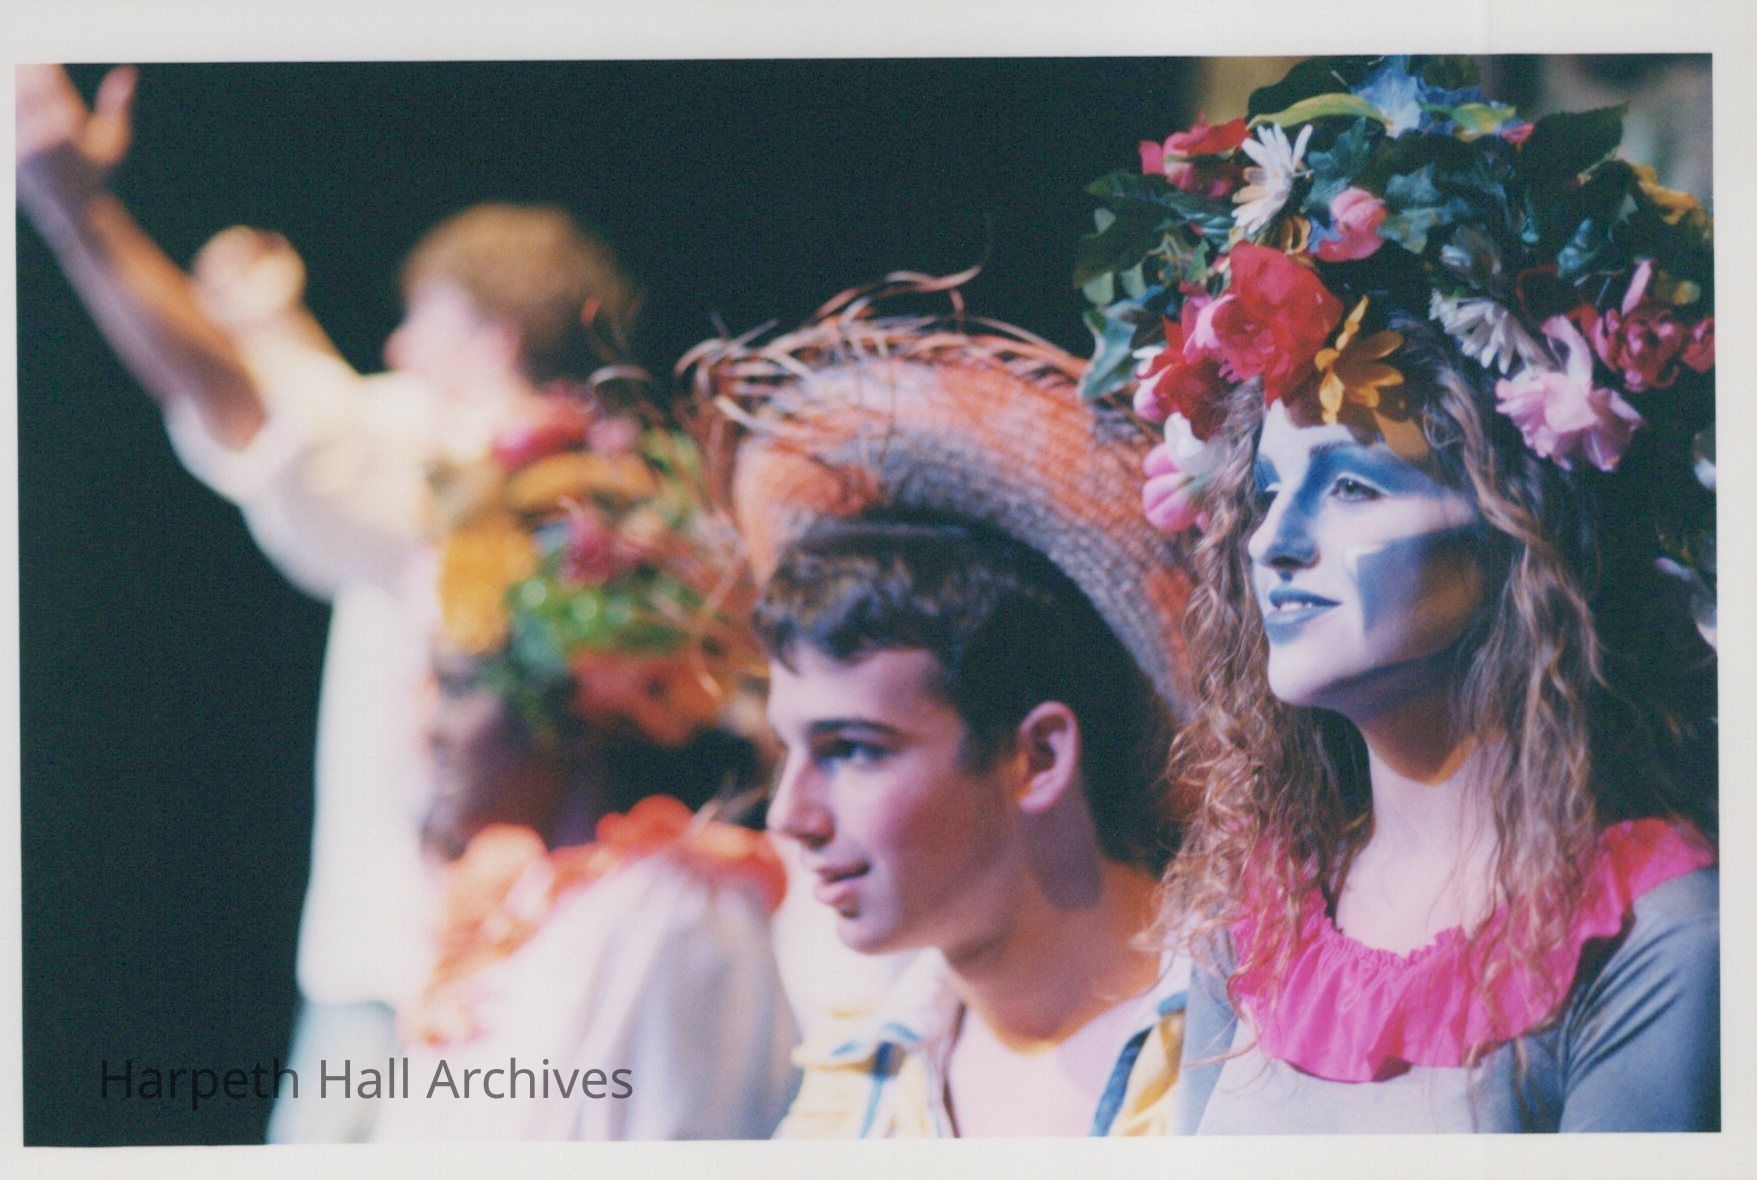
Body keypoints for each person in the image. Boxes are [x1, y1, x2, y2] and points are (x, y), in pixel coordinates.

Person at [1077, 54, 1718, 1131]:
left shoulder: (1654, 942)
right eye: (1267, 490)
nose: (1273, 540)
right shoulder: (1256, 921)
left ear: (1519, 534)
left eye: (1352, 486)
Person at [16, 63, 639, 1141]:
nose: (396, 349)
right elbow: (332, 423)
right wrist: (280, 321)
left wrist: (77, 214)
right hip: (555, 962)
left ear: (495, 339)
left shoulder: (473, 476)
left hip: (410, 978)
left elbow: (266, 418)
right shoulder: (608, 494)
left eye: (421, 322)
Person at [688, 288, 1198, 1136]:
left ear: (1038, 756)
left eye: (853, 750)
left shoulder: (1251, 1056)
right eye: (789, 752)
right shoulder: (847, 1091)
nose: (790, 816)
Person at [370, 408, 798, 1141]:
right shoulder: (527, 906)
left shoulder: (683, 921)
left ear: (581, 699)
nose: (430, 729)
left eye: (463, 685)